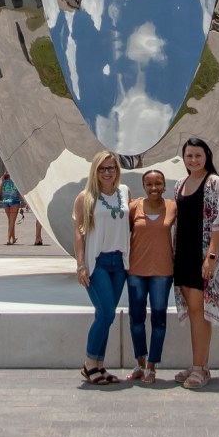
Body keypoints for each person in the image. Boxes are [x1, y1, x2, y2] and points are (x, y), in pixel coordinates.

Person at [172, 137, 219, 389]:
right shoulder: (180, 184)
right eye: (189, 156)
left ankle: (200, 368)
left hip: (203, 257)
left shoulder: (214, 183)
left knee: (200, 312)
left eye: (198, 155)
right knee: (194, 312)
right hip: (184, 255)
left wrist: (211, 257)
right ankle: (199, 364)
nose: (193, 160)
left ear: (207, 156)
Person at [74, 151, 131, 385]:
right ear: (95, 171)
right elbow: (79, 232)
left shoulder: (125, 192)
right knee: (106, 312)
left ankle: (99, 365)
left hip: (119, 263)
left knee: (105, 316)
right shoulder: (86, 197)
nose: (108, 172)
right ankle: (89, 364)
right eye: (102, 168)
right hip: (97, 262)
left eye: (112, 168)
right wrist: (80, 265)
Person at [125, 170, 175, 385]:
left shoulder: (172, 206)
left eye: (158, 183)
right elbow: (121, 232)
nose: (154, 187)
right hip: (136, 270)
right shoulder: (134, 207)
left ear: (164, 186)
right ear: (143, 186)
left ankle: (152, 366)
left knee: (158, 318)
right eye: (149, 184)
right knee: (136, 319)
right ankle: (140, 363)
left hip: (162, 272)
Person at [0, 171, 22, 244]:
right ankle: (8, 239)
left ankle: (13, 238)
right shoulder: (16, 176)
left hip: (5, 200)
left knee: (10, 220)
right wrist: (25, 201)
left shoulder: (3, 177)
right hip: (14, 200)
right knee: (12, 221)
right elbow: (20, 190)